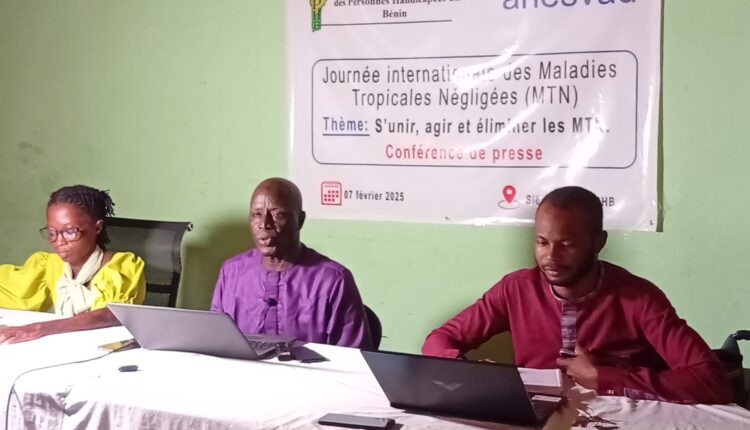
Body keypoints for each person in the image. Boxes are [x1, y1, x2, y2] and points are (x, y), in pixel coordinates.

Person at [422, 186, 732, 404]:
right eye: (542, 242)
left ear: (598, 242)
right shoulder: (515, 289)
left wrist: (606, 378)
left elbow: (711, 380)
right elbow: (439, 339)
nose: (550, 257)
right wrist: (470, 371)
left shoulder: (639, 298)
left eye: (566, 245)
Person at [211, 177, 371, 348]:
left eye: (277, 215)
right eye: (257, 214)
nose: (265, 224)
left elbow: (352, 357)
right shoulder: (232, 272)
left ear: (300, 220)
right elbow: (215, 341)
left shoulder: (333, 281)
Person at [0, 185, 145, 344]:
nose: (59, 242)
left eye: (70, 231)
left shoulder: (121, 267)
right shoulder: (50, 265)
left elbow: (111, 315)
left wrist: (40, 328)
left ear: (97, 227)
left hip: (109, 347)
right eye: (52, 232)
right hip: (67, 345)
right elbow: (12, 288)